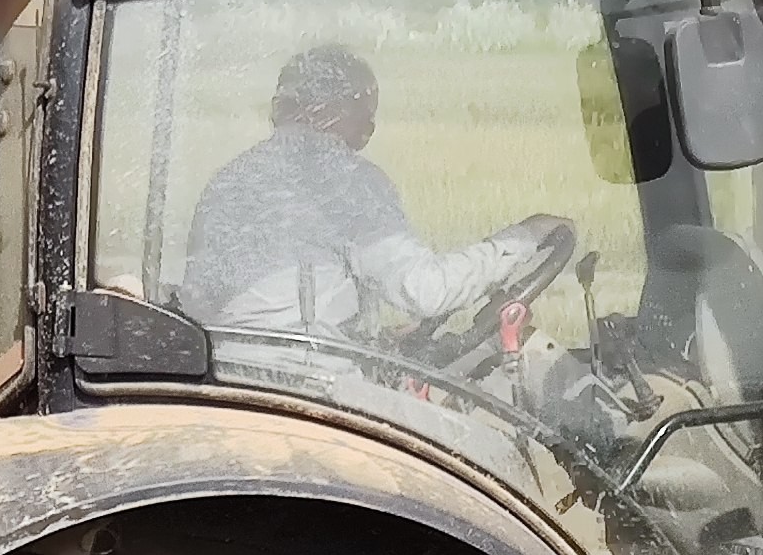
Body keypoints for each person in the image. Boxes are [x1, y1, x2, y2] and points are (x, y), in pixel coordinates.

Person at [177, 44, 570, 338]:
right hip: (313, 385)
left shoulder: (228, 180)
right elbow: (426, 291)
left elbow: (206, 301)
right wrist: (524, 236)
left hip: (229, 376)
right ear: (328, 110)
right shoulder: (347, 179)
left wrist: (375, 339)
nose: (368, 131)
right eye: (365, 118)